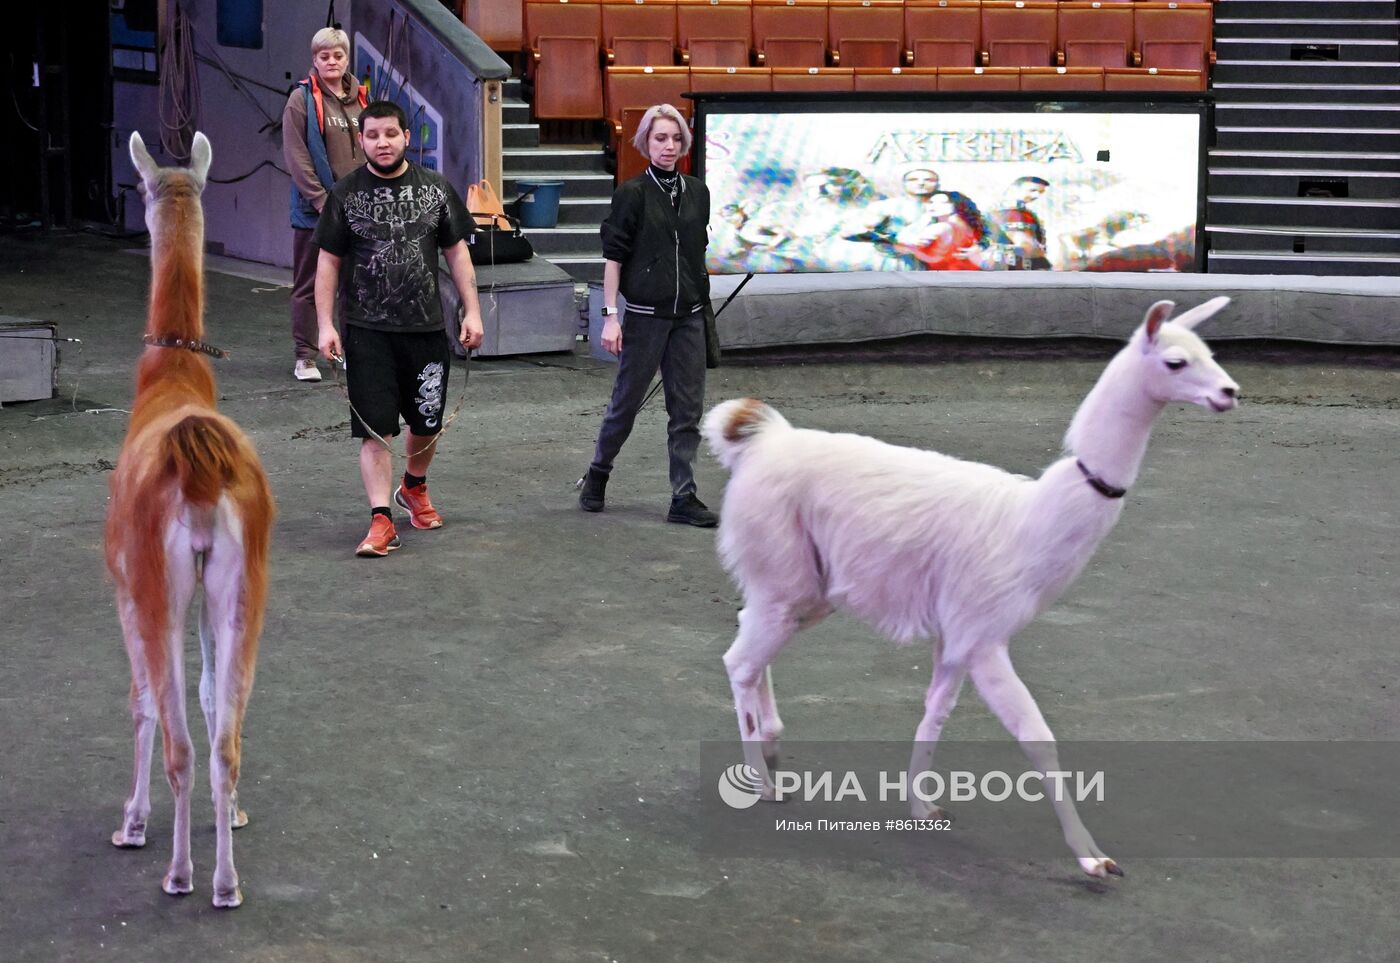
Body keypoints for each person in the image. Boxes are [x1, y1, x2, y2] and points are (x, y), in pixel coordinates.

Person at [314, 100, 485, 557]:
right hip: (367, 331)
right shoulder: (346, 195)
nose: (382, 143)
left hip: (426, 329)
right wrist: (325, 325)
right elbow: (327, 264)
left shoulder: (436, 190)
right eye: (372, 135)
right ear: (361, 140)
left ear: (407, 137)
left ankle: (414, 486)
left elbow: (458, 255)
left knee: (426, 424)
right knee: (376, 430)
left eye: (390, 134)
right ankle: (380, 520)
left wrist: (472, 311)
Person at [576, 103, 717, 527]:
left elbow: (696, 253)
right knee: (625, 404)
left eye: (676, 139)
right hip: (643, 316)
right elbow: (613, 259)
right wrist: (610, 316)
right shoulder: (631, 194)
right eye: (660, 138)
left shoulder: (698, 192)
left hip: (689, 317)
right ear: (644, 142)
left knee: (687, 412)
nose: (669, 146)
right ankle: (598, 474)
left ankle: (683, 496)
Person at [282, 27, 367, 383]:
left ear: (347, 58)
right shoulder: (300, 100)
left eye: (338, 55)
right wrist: (321, 201)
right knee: (309, 284)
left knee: (354, 283)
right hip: (315, 210)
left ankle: (346, 348)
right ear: (314, 59)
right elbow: (296, 156)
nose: (331, 61)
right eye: (324, 56)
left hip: (357, 209)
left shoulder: (362, 98)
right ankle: (305, 356)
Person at [991, 175, 1052, 270]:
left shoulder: (1023, 212)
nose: (1036, 196)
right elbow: (1028, 247)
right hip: (1016, 268)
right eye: (1032, 190)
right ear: (1014, 189)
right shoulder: (1012, 213)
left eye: (1040, 192)